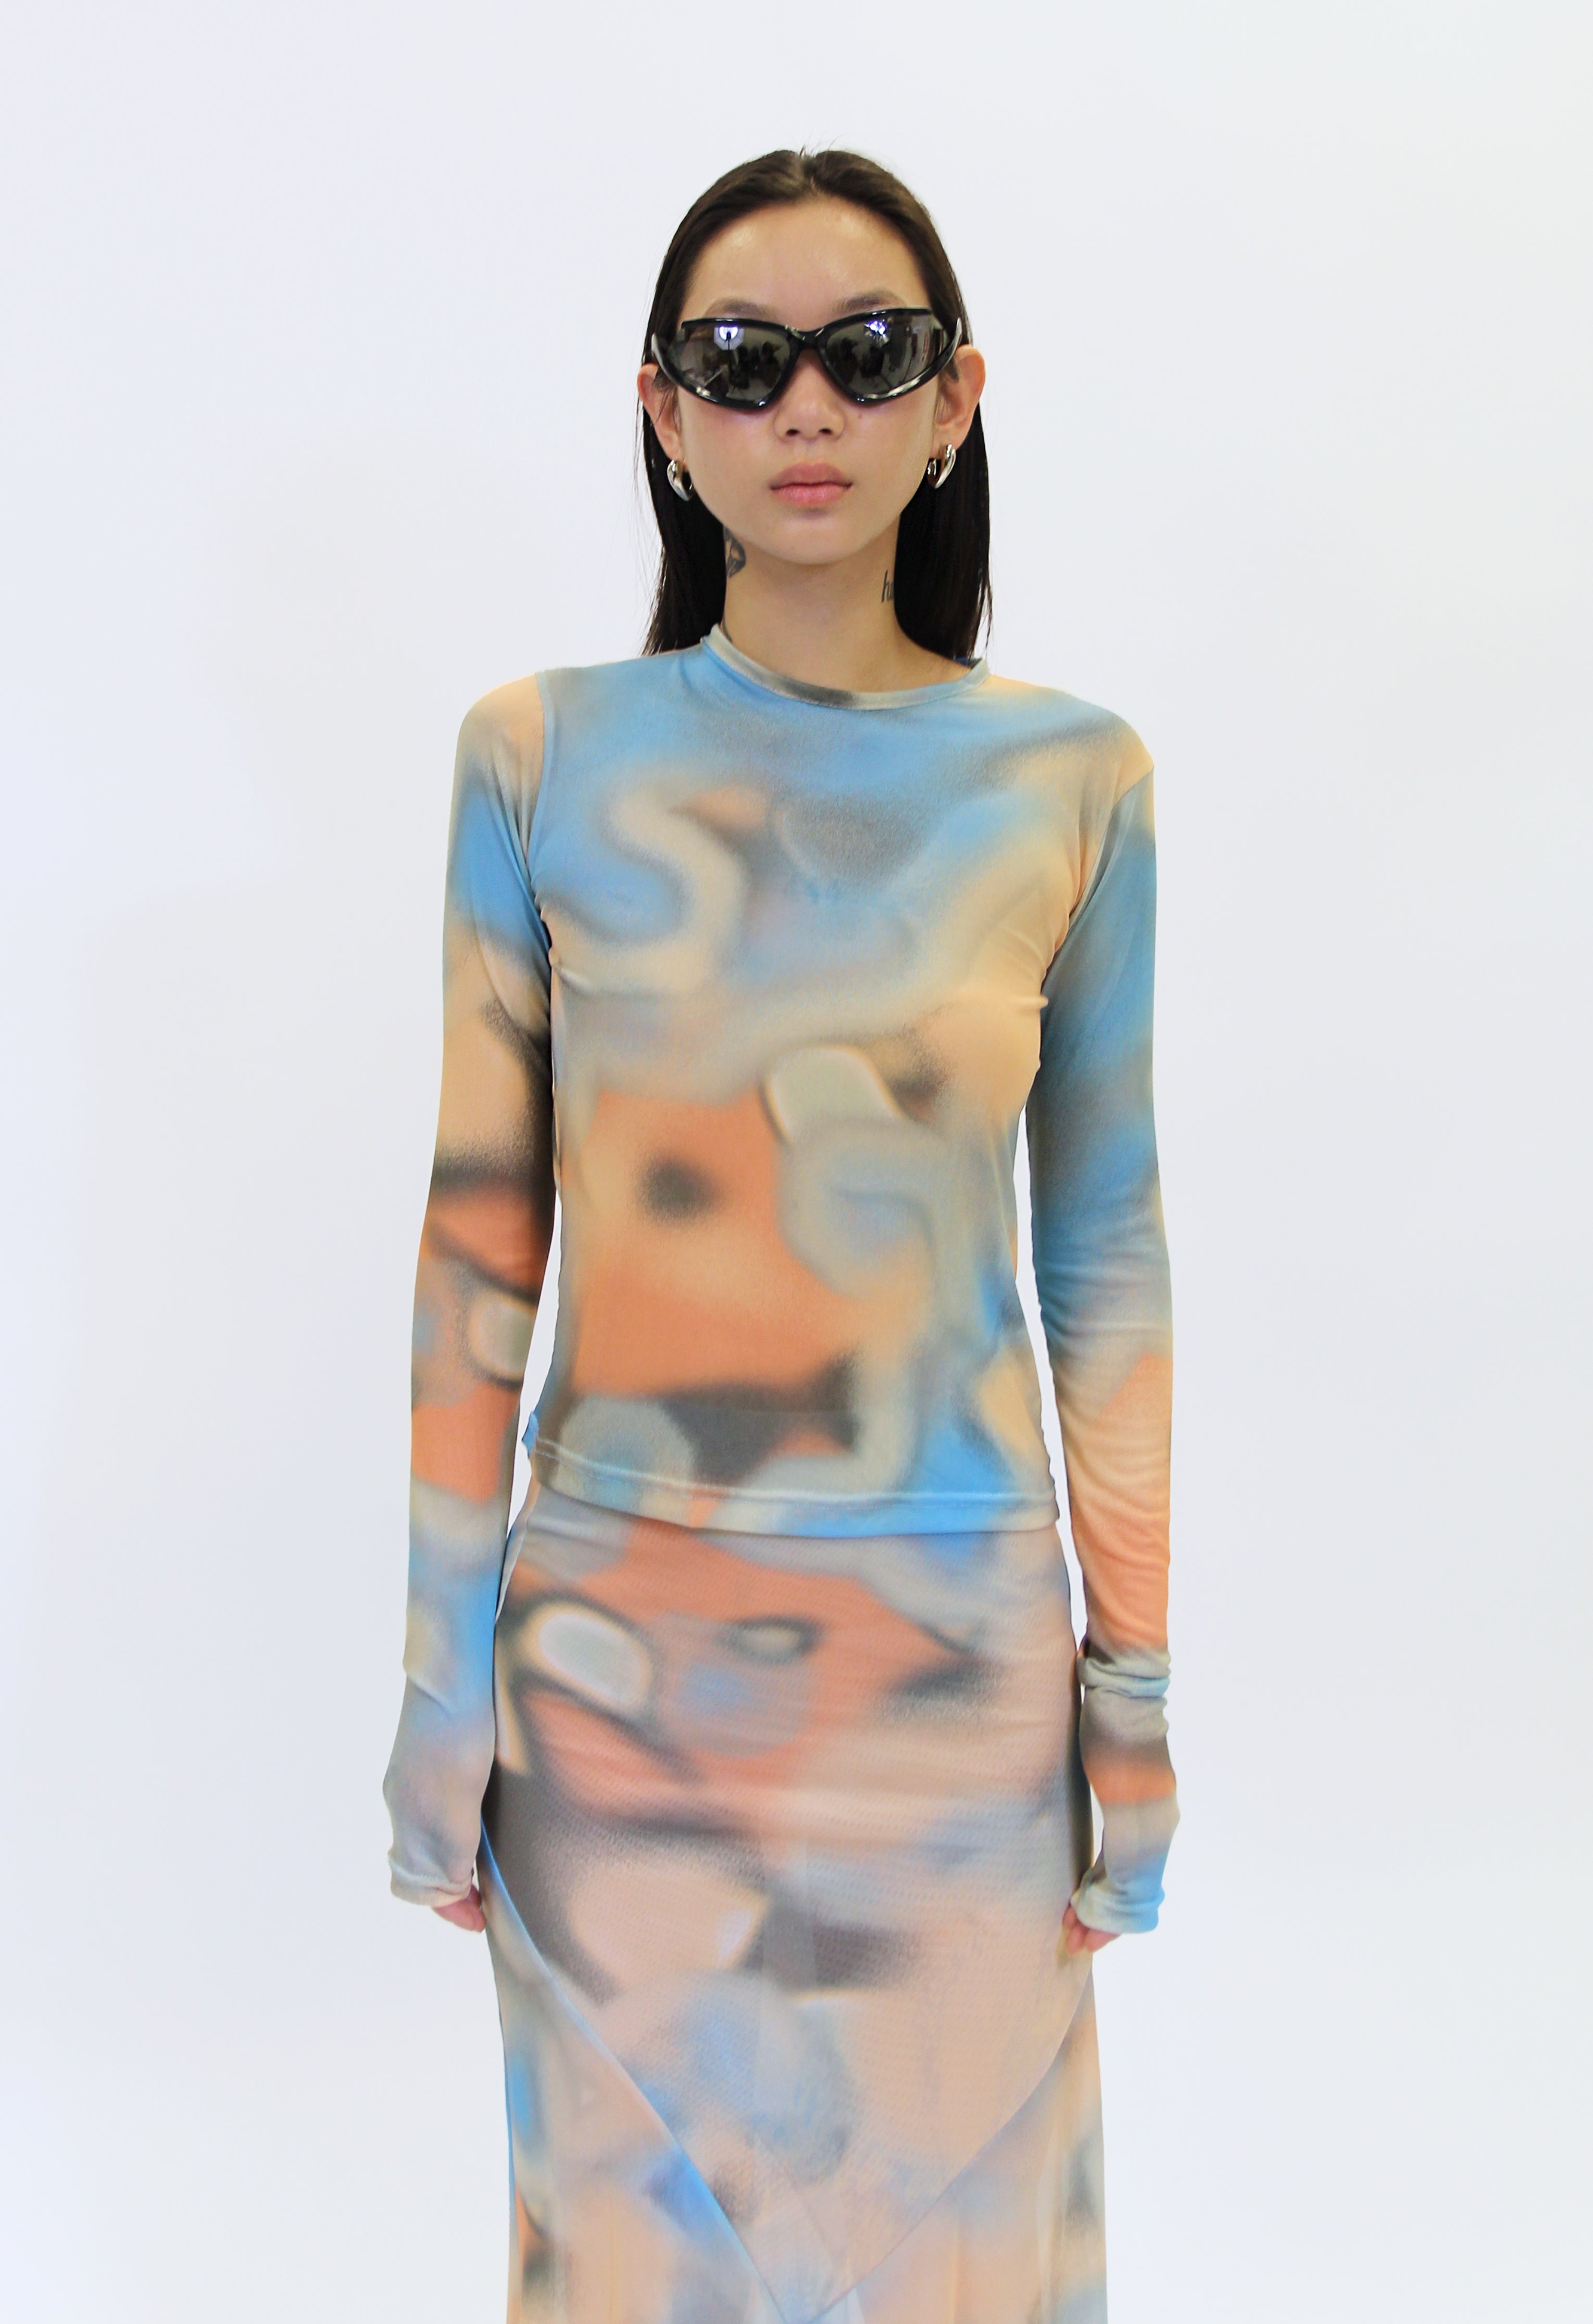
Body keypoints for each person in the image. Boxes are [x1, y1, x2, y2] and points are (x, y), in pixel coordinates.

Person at [383, 145, 1178, 2324]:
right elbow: (479, 1252)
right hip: (618, 1685)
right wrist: (441, 1683)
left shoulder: (1074, 783)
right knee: (629, 2271)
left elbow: (1104, 1261)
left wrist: (1132, 1695)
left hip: (955, 1681)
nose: (803, 408)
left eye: (866, 354)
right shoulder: (541, 760)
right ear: (663, 410)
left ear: (955, 397)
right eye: (741, 362)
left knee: (967, 2274)